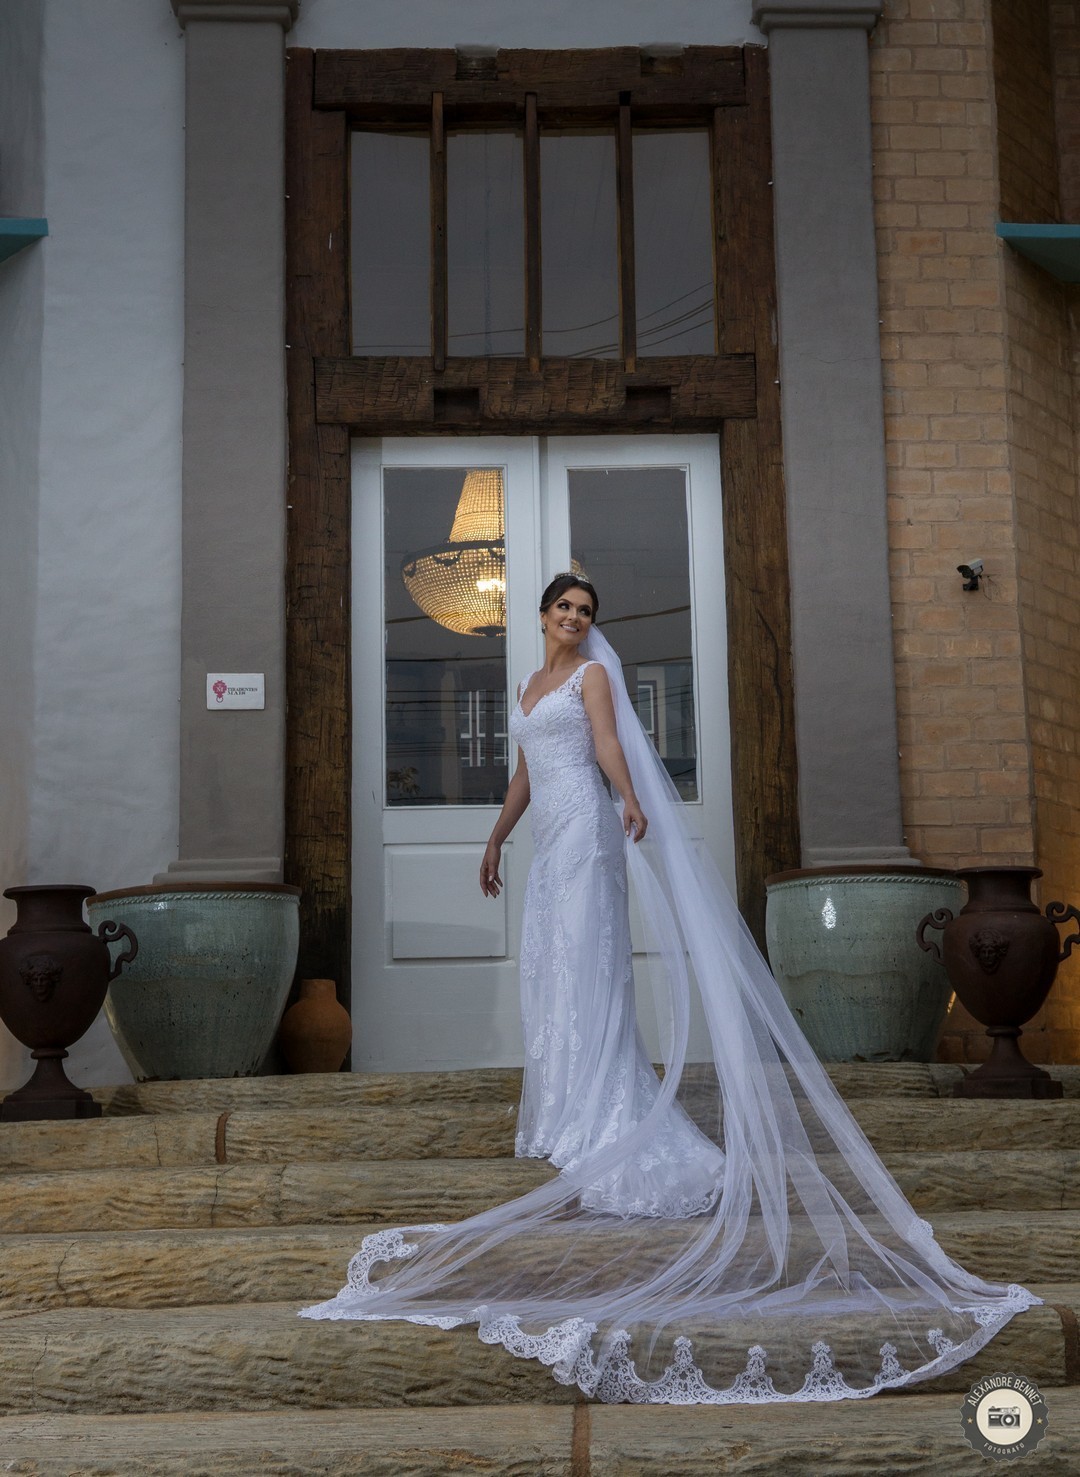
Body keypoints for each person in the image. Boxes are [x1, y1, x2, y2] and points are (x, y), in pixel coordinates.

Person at [303, 574, 1038, 1405]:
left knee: (589, 968)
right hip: (549, 839)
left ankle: (606, 1115)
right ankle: (566, 1110)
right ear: (541, 615)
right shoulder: (528, 683)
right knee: (553, 973)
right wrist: (494, 838)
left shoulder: (592, 678)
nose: (574, 620)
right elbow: (523, 771)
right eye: (563, 609)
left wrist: (625, 798)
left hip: (588, 829)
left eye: (585, 612)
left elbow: (608, 746)